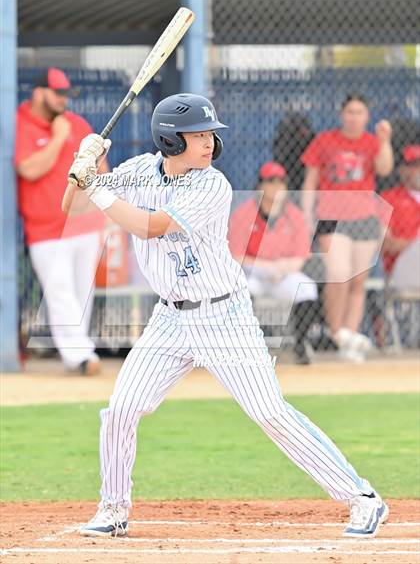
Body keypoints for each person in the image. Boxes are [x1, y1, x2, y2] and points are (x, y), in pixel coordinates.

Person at [62, 93, 388, 539]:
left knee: (269, 411)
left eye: (209, 134)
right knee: (121, 408)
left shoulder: (212, 185)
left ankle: (362, 499)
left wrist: (97, 188)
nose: (209, 142)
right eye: (198, 135)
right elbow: (72, 208)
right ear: (169, 140)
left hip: (223, 316)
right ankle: (113, 509)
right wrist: (83, 167)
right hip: (169, 319)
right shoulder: (139, 170)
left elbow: (150, 225)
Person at [15, 68, 108, 375]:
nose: (62, 100)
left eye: (65, 94)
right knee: (60, 293)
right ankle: (80, 356)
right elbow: (28, 169)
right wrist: (57, 139)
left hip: (85, 225)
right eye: (57, 93)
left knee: (82, 295)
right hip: (45, 231)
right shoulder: (21, 124)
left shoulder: (77, 123)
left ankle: (81, 353)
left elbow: (101, 167)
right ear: (39, 92)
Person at [301, 94, 393, 363]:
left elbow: (385, 169)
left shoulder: (372, 142)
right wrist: (308, 217)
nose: (354, 117)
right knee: (338, 273)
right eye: (350, 112)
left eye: (360, 112)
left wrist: (385, 140)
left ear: (367, 116)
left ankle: (349, 338)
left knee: (357, 281)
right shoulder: (324, 141)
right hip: (332, 215)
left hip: (364, 217)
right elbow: (310, 181)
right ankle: (337, 331)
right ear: (342, 114)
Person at [228, 161, 317, 364]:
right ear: (260, 186)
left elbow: (300, 256)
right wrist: (267, 268)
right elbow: (236, 256)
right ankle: (247, 346)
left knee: (307, 288)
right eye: (270, 182)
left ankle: (301, 345)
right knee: (242, 288)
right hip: (253, 272)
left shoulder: (295, 215)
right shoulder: (244, 213)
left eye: (280, 182)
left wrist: (283, 269)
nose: (276, 187)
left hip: (283, 273)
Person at [381, 144, 420, 290]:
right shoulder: (389, 198)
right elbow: (386, 243)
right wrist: (415, 246)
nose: (418, 170)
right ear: (402, 170)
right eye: (414, 165)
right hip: (402, 267)